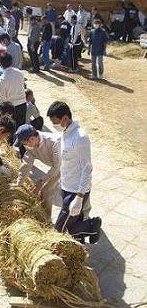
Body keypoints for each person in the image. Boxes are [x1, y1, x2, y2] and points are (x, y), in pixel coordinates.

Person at [47, 101, 101, 243]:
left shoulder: (80, 137)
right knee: (72, 223)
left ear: (65, 118)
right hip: (66, 187)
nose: (54, 125)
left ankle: (92, 226)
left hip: (76, 191)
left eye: (55, 122)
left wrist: (79, 197)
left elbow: (87, 168)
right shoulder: (65, 133)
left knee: (60, 229)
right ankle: (82, 240)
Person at [14, 124, 61, 221]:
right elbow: (26, 164)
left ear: (31, 139)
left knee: (46, 190)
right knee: (44, 190)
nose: (24, 146)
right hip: (55, 164)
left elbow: (56, 167)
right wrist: (18, 184)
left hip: (67, 162)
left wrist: (41, 182)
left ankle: (46, 220)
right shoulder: (30, 145)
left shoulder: (54, 142)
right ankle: (45, 217)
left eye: (24, 143)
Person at [0, 53, 26, 128]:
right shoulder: (20, 73)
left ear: (0, 64)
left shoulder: (1, 80)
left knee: (11, 130)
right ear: (11, 62)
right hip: (22, 104)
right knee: (21, 127)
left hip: (10, 108)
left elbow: (2, 99)